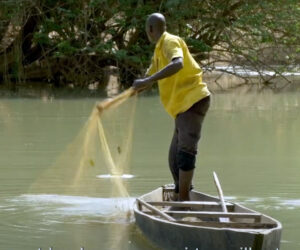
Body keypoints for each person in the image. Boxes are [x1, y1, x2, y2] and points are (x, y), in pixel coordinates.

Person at [133, 13, 211, 201]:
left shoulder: (170, 42)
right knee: (174, 158)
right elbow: (148, 78)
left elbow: (178, 64)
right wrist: (136, 88)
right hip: (181, 108)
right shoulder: (159, 51)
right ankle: (182, 193)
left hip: (192, 101)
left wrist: (148, 80)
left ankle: (183, 200)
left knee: (185, 151)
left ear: (150, 29)